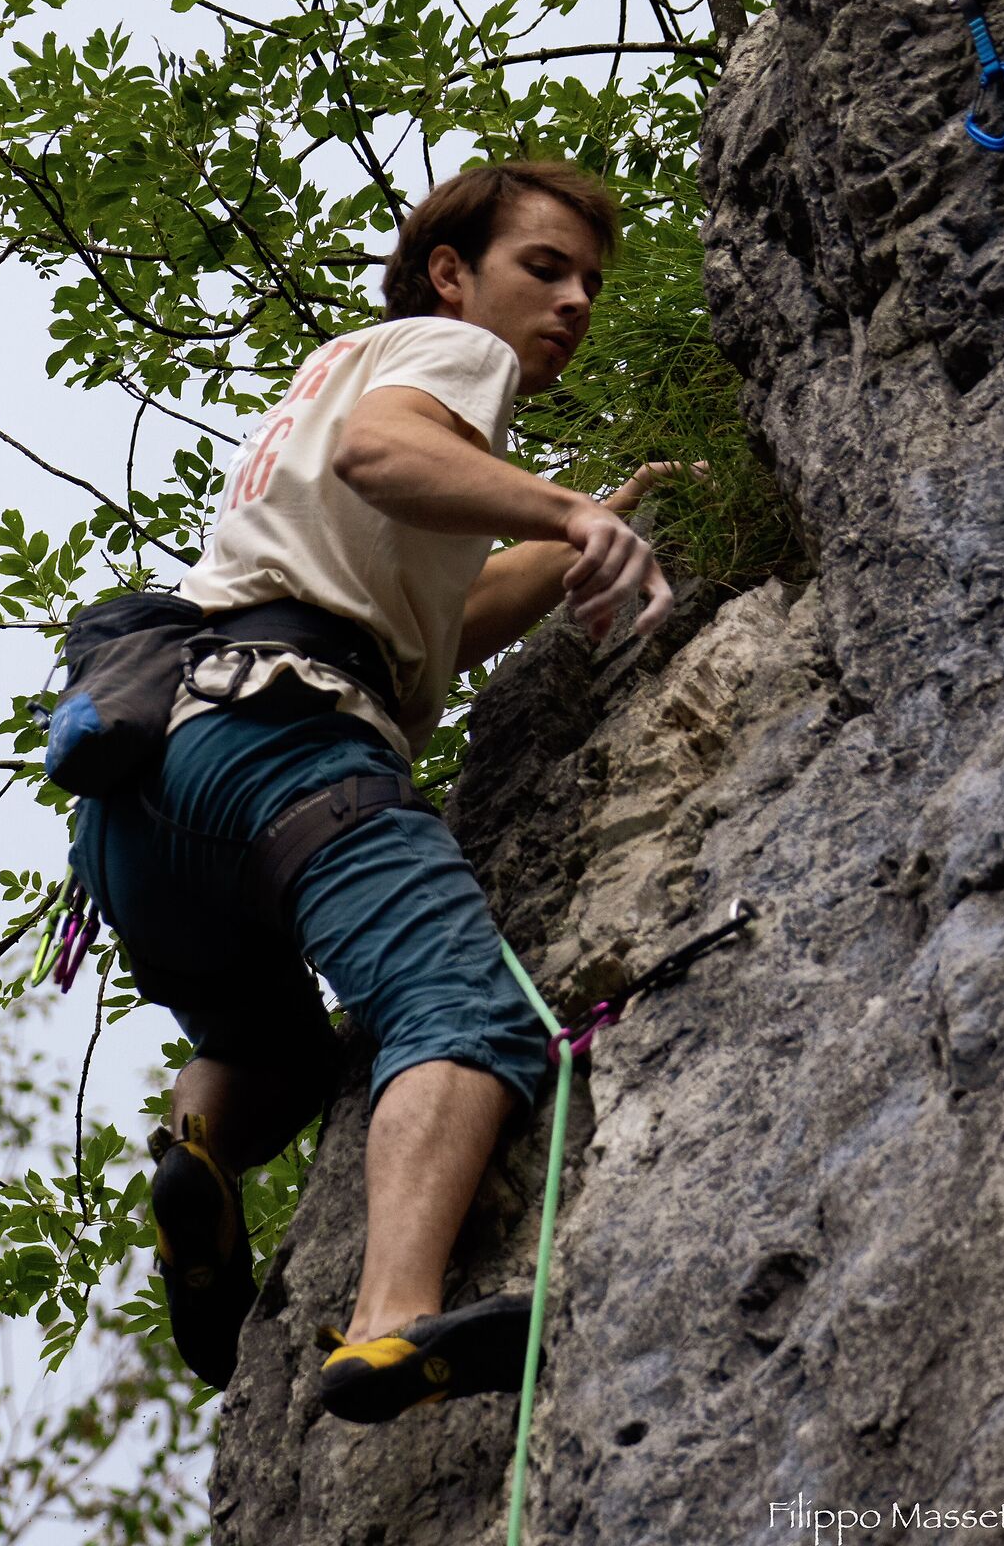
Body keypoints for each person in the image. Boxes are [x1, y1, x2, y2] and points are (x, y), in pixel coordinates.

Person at [71, 159, 682, 1423]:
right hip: (284, 746)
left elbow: (426, 631)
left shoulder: (341, 370)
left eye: (588, 282)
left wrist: (567, 536)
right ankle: (391, 1323)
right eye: (544, 267)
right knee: (458, 1005)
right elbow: (380, 455)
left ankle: (200, 1159)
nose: (574, 302)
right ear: (452, 273)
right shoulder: (456, 356)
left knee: (276, 1054)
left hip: (147, 793)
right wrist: (571, 510)